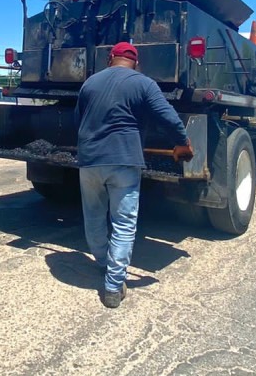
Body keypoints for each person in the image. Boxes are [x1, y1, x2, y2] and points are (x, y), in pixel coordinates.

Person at [76, 42, 194, 308]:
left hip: (89, 159)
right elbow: (168, 117)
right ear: (136, 62)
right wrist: (182, 142)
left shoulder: (89, 83)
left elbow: (79, 120)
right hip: (124, 161)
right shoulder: (143, 83)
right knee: (123, 222)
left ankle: (104, 263)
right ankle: (113, 285)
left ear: (111, 59)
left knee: (93, 215)